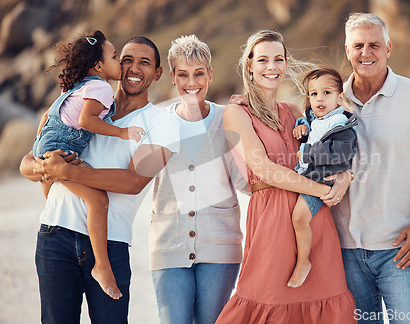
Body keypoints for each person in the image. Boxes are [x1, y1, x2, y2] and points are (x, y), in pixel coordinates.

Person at [19, 36, 179, 324]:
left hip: (111, 244)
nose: (133, 67)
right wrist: (47, 168)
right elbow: (27, 163)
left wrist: (69, 172)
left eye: (145, 62)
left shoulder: (162, 123)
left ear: (157, 73)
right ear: (112, 65)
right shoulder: (87, 104)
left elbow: (134, 182)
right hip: (55, 236)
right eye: (126, 59)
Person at [216, 30, 356, 323]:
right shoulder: (236, 113)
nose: (272, 66)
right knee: (268, 299)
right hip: (271, 217)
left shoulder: (295, 111)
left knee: (324, 299)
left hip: (313, 217)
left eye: (278, 59)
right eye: (263, 59)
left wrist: (345, 176)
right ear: (249, 65)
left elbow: (331, 150)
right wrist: (321, 189)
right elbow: (264, 168)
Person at [331, 13, 410, 323]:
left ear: (388, 48)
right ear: (347, 51)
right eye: (358, 45)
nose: (365, 52)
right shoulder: (331, 101)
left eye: (374, 44)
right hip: (345, 249)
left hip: (401, 248)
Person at [32, 30, 146, 300]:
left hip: (48, 143)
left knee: (55, 189)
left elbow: (49, 115)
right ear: (98, 65)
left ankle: (52, 192)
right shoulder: (100, 87)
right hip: (60, 146)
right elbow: (86, 121)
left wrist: (39, 147)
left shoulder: (77, 87)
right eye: (116, 56)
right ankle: (102, 266)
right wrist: (121, 132)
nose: (120, 63)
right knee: (99, 202)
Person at [149, 34, 248, 324]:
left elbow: (244, 181)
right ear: (172, 77)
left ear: (210, 75)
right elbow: (134, 176)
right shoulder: (159, 123)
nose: (191, 82)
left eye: (198, 74)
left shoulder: (228, 119)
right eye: (183, 74)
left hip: (221, 245)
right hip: (169, 244)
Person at [288, 67, 358, 288]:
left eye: (327, 93)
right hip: (307, 175)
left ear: (340, 97)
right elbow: (311, 131)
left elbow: (342, 153)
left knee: (299, 218)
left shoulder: (341, 124)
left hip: (322, 179)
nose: (320, 98)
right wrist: (301, 127)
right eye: (314, 93)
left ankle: (303, 262)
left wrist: (308, 153)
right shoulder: (315, 119)